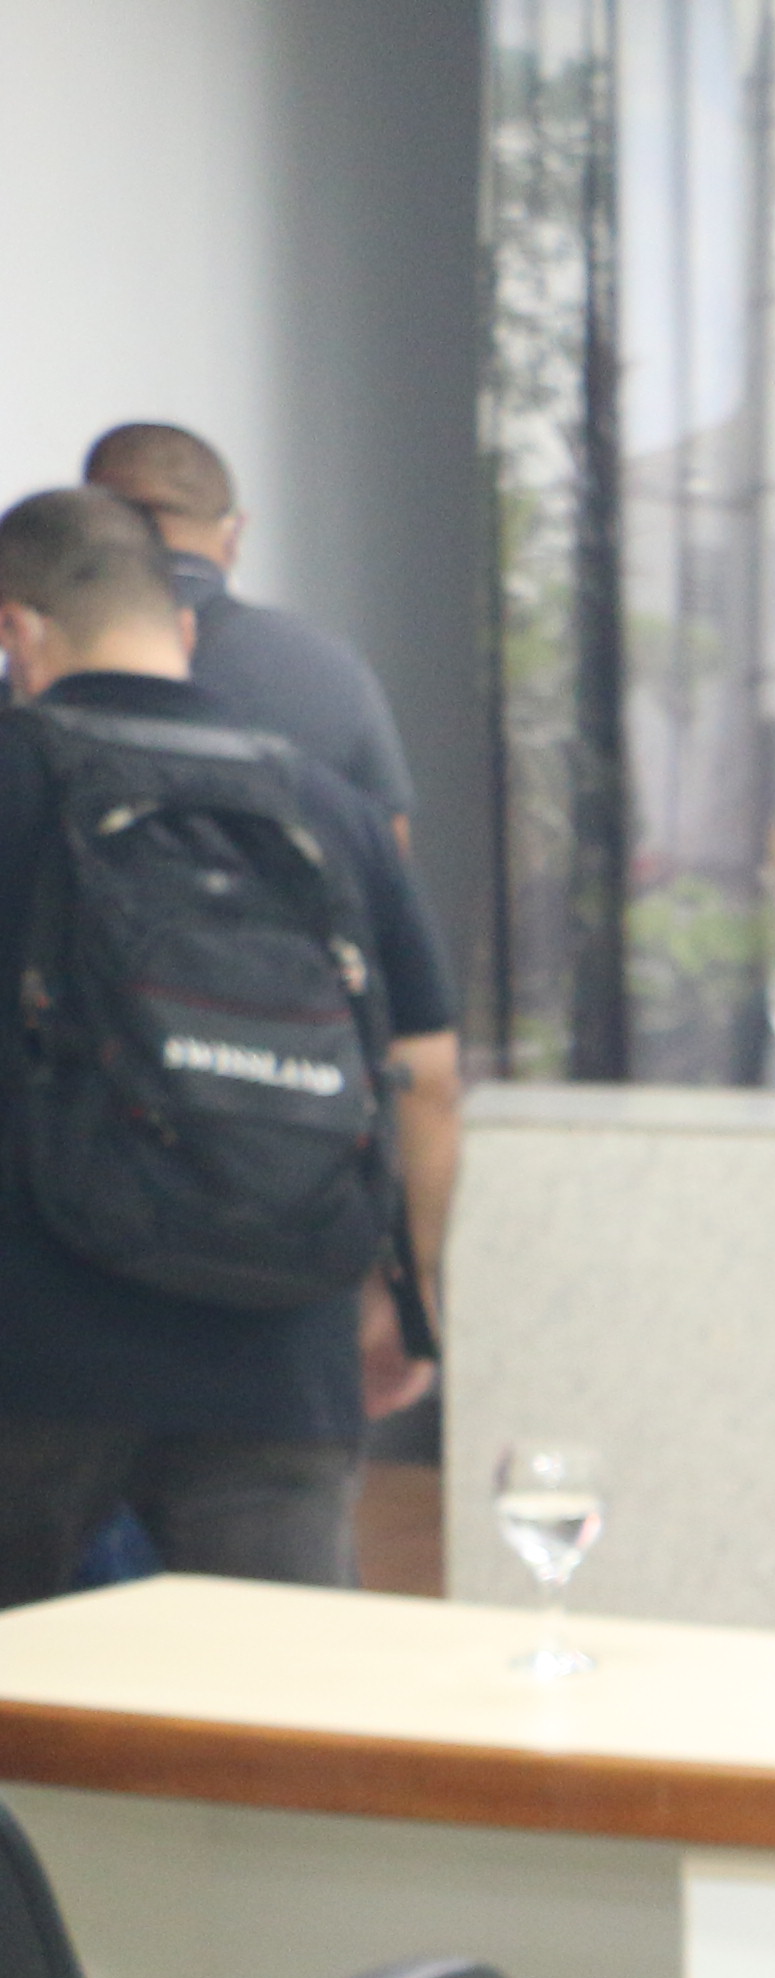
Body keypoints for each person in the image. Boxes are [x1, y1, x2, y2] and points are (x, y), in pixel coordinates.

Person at [0, 484, 459, 1603]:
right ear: (184, 629)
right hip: (280, 1352)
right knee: (273, 1701)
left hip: (33, 1355)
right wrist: (403, 1293)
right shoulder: (327, 806)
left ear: (17, 629)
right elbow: (431, 1082)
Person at [80, 422, 418, 854]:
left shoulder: (48, 665)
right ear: (235, 533)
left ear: (83, 526)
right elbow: (388, 852)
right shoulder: (331, 666)